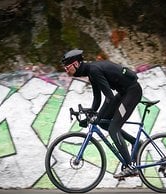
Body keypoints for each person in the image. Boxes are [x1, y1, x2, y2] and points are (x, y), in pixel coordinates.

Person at [61, 49, 143, 179]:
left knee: (113, 128)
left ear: (76, 64)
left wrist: (96, 117)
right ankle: (136, 143)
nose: (66, 70)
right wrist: (91, 113)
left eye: (67, 67)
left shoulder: (94, 70)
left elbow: (109, 97)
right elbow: (97, 98)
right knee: (104, 123)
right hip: (124, 93)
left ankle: (130, 167)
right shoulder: (91, 72)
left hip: (132, 93)